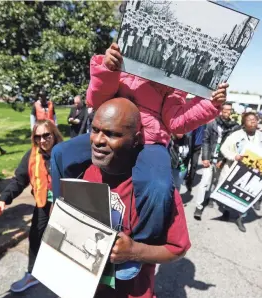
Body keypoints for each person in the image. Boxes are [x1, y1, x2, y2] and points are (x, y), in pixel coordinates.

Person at [51, 42, 227, 247]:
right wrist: (108, 69)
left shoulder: (174, 80)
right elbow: (96, 100)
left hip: (150, 142)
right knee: (61, 153)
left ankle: (143, 241)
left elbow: (176, 120)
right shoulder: (122, 57)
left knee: (159, 187)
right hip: (110, 132)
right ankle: (62, 210)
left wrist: (210, 103)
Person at [79, 98, 190, 297]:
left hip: (133, 291)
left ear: (137, 139)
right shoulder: (89, 173)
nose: (97, 140)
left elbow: (177, 249)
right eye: (95, 130)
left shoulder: (157, 189)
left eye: (112, 134)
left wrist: (134, 251)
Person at [0, 120, 63, 292]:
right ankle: (33, 274)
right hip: (43, 204)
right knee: (36, 237)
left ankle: (65, 273)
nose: (42, 141)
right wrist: (4, 198)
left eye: (46, 135)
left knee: (64, 239)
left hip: (65, 206)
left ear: (54, 135)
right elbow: (19, 180)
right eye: (37, 137)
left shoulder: (65, 152)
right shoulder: (32, 155)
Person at [212, 112, 262, 232]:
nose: (253, 121)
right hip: (233, 169)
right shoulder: (236, 135)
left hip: (251, 173)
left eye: (255, 119)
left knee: (245, 196)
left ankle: (240, 218)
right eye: (249, 120)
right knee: (229, 194)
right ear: (244, 123)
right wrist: (235, 156)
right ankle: (227, 212)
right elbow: (224, 148)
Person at [194, 102, 238, 219]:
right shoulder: (212, 124)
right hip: (210, 158)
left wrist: (222, 160)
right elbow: (206, 140)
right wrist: (205, 158)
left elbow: (233, 147)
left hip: (223, 160)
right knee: (204, 182)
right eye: (225, 110)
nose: (227, 112)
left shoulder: (234, 127)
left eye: (229, 110)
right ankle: (199, 207)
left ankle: (211, 198)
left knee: (217, 182)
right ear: (220, 111)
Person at [185, 125, 205, 192]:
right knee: (186, 162)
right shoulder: (194, 120)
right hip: (189, 144)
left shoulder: (205, 121)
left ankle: (190, 182)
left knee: (194, 164)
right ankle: (184, 175)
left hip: (198, 146)